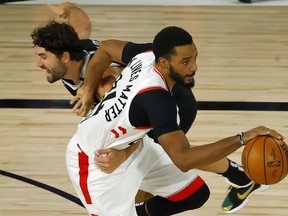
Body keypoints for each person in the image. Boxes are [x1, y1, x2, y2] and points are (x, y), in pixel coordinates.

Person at [32, 4, 275, 214]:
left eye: (43, 56)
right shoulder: (134, 53)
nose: (38, 63)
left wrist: (124, 154)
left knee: (166, 163)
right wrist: (71, 8)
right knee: (173, 176)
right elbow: (90, 33)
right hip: (113, 137)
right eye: (187, 61)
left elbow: (146, 131)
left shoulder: (109, 84)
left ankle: (239, 176)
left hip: (160, 108)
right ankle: (239, 176)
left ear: (64, 56)